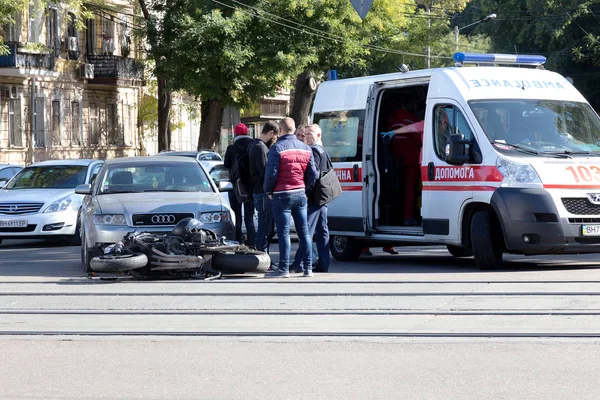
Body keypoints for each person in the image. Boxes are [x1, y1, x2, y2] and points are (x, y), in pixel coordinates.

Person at [263, 117, 317, 278]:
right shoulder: (306, 148)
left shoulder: (277, 148)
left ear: (280, 130)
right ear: (294, 130)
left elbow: (271, 174)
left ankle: (284, 269)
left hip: (281, 194)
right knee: (304, 232)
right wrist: (304, 186)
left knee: (284, 233)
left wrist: (268, 191)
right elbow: (313, 173)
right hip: (300, 193)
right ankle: (308, 269)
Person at [290, 124, 331, 273]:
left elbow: (313, 174)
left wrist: (305, 192)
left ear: (319, 135)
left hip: (314, 197)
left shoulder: (313, 151)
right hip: (323, 196)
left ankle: (298, 263)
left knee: (306, 230)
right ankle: (324, 263)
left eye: (310, 134)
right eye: (305, 133)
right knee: (321, 230)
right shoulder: (323, 150)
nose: (307, 136)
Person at [248, 121, 278, 254]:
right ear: (271, 133)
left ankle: (262, 256)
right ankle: (262, 256)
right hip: (262, 192)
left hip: (259, 191)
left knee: (265, 226)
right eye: (275, 136)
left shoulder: (255, 144)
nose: (275, 139)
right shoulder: (260, 147)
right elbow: (265, 171)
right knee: (265, 227)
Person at [223, 123, 256, 245]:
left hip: (235, 186)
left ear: (235, 134)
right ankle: (252, 243)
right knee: (249, 217)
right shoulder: (252, 146)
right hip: (250, 186)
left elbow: (226, 165)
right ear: (247, 133)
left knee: (237, 216)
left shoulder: (231, 148)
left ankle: (236, 241)